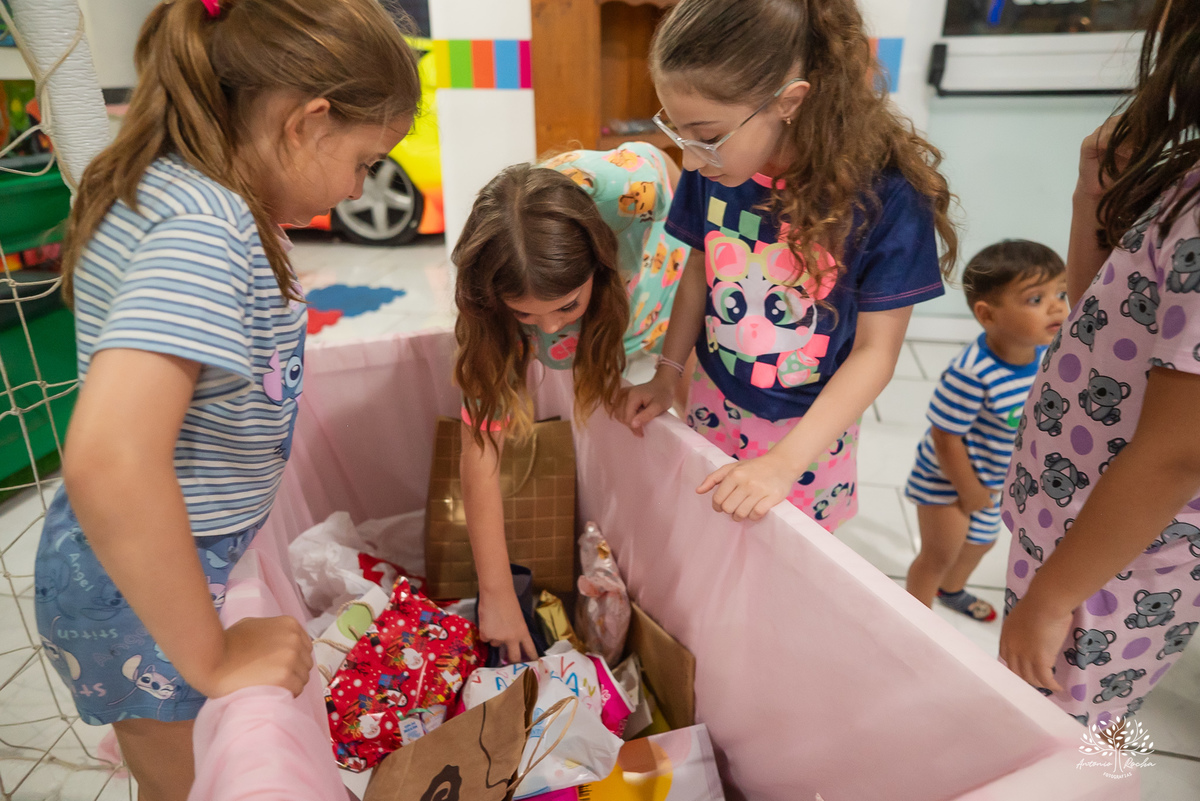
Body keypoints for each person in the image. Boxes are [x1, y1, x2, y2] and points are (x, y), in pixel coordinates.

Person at [32, 1, 421, 797]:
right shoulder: (204, 230)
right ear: (308, 122)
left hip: (147, 565)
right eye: (363, 160)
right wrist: (209, 653)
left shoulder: (189, 192)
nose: (355, 190)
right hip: (139, 589)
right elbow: (110, 457)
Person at [620, 0, 957, 531]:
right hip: (713, 395)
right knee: (707, 527)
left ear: (789, 102)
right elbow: (698, 274)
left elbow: (875, 353)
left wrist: (784, 462)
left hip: (809, 432)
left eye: (706, 135)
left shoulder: (887, 198)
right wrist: (668, 373)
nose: (689, 159)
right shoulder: (717, 165)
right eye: (677, 132)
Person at [999, 0, 1200, 728]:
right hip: (1072, 531)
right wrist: (1094, 191)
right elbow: (1094, 315)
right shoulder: (1188, 186)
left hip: (1115, 562)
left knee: (1079, 729)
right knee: (1066, 714)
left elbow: (1181, 450)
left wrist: (1052, 598)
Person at [455, 144, 687, 663]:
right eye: (526, 314)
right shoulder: (493, 300)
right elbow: (480, 445)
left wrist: (672, 364)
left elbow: (671, 180)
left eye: (565, 307)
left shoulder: (627, 186)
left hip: (654, 280)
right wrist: (494, 593)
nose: (552, 324)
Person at [904, 241, 1067, 622]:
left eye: (1060, 293)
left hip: (990, 477)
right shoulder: (971, 373)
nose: (1057, 306)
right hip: (948, 479)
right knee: (939, 554)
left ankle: (951, 590)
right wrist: (970, 490)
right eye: (1035, 299)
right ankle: (913, 620)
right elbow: (945, 437)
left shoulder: (1044, 353)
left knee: (982, 541)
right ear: (987, 314)